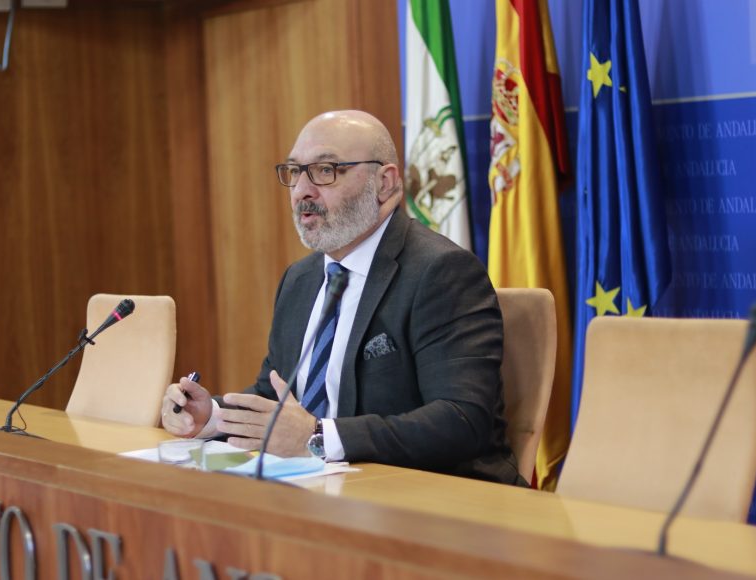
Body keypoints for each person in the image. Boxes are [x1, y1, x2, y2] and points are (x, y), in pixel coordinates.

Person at [161, 110, 524, 485]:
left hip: (433, 495)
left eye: (325, 170)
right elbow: (277, 394)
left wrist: (318, 437)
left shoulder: (441, 272)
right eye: (295, 171)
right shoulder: (300, 280)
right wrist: (211, 416)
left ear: (384, 182)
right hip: (326, 488)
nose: (302, 190)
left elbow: (462, 419)